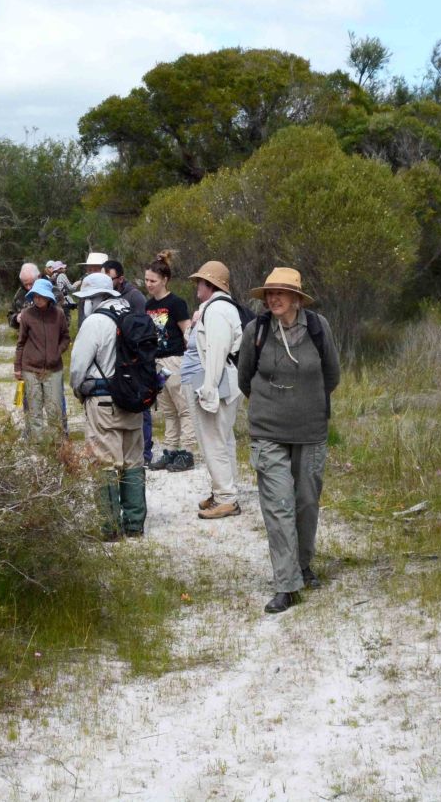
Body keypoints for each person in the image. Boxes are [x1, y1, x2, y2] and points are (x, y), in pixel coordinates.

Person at [237, 267, 340, 614]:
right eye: (269, 293)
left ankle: (303, 565)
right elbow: (245, 378)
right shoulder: (256, 330)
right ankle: (287, 584)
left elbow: (332, 375)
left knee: (306, 502)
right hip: (268, 431)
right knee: (278, 505)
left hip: (310, 430)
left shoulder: (318, 328)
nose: (273, 298)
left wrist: (304, 403)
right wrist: (272, 406)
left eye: (280, 292)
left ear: (297, 298)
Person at [69, 273, 146, 539]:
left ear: (94, 298)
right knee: (133, 461)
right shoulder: (133, 314)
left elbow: (78, 367)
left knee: (104, 463)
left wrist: (79, 391)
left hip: (103, 401)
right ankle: (135, 525)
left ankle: (110, 527)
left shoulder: (95, 322)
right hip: (134, 400)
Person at [184, 260, 243, 520]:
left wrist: (208, 392)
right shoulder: (216, 308)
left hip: (216, 384)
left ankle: (226, 497)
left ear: (210, 284)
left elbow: (216, 353)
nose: (197, 285)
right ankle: (225, 490)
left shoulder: (217, 310)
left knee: (213, 440)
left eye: (200, 281)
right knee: (222, 438)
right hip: (220, 381)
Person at [143, 251, 195, 472]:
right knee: (168, 409)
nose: (149, 284)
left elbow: (187, 332)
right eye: (146, 280)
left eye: (153, 281)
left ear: (164, 280)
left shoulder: (176, 303)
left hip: (175, 360)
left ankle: (187, 451)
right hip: (157, 362)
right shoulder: (148, 306)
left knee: (184, 407)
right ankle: (170, 450)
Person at [14, 278, 70, 438]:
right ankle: (37, 445)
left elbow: (66, 337)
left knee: (54, 410)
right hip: (30, 369)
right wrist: (17, 368)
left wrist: (57, 351)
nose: (37, 299)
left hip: (54, 369)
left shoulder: (58, 314)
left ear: (48, 297)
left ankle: (57, 445)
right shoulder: (26, 315)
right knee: (34, 409)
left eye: (41, 296)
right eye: (35, 296)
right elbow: (21, 343)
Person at [74, 252, 109, 328]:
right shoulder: (85, 289)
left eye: (96, 270)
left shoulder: (114, 291)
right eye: (90, 270)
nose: (92, 273)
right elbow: (81, 318)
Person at [8, 263, 40, 329]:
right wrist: (16, 318)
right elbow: (10, 316)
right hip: (27, 334)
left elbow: (59, 315)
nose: (28, 287)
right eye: (25, 284)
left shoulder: (50, 290)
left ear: (38, 278)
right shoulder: (19, 294)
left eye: (31, 284)